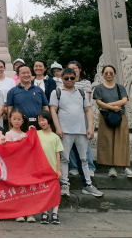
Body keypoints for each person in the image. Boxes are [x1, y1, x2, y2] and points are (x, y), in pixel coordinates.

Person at [49, 68, 103, 198]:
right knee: (64, 159)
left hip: (81, 130)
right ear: (62, 78)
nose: (69, 80)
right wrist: (58, 128)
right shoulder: (57, 92)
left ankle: (88, 185)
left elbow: (88, 110)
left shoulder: (81, 92)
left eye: (72, 78)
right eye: (66, 78)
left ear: (76, 78)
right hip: (65, 130)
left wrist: (90, 127)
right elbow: (53, 111)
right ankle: (64, 184)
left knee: (84, 159)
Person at [94, 65, 132, 179]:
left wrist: (108, 105)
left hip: (120, 116)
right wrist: (112, 107)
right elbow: (98, 102)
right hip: (106, 117)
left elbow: (124, 100)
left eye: (111, 73)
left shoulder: (120, 87)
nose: (108, 75)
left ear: (115, 74)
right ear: (102, 74)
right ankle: (110, 167)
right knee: (107, 140)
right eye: (106, 73)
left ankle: (124, 166)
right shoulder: (99, 88)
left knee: (122, 140)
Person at [67, 61, 96, 178]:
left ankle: (89, 167)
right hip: (67, 116)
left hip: (82, 114)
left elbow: (85, 99)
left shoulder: (85, 83)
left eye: (75, 68)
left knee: (84, 142)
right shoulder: (63, 82)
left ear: (80, 69)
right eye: (70, 68)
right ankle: (74, 167)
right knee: (69, 142)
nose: (73, 70)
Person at [36, 111, 64, 225]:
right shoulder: (36, 134)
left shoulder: (55, 137)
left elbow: (58, 154)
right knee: (43, 192)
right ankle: (44, 212)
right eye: (39, 120)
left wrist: (58, 169)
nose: (41, 122)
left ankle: (55, 213)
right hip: (41, 169)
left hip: (52, 169)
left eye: (43, 120)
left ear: (49, 120)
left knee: (54, 192)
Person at [6, 65, 49, 129]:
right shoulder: (12, 91)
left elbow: (45, 107)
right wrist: (11, 127)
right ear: (18, 75)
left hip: (39, 124)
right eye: (23, 73)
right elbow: (10, 110)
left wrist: (47, 124)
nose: (26, 75)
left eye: (28, 72)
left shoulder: (39, 90)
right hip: (20, 125)